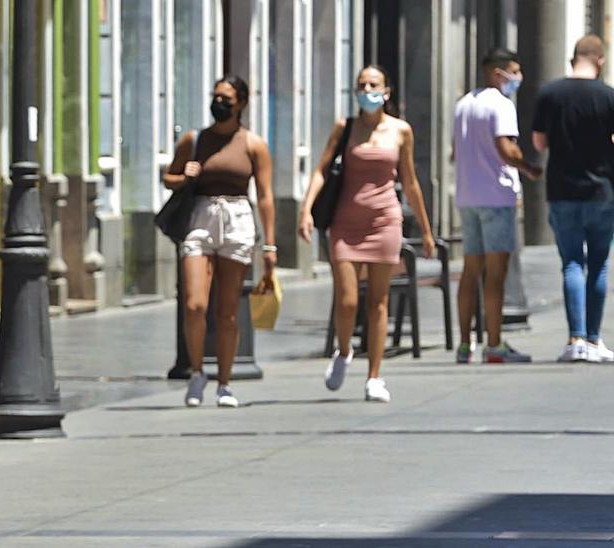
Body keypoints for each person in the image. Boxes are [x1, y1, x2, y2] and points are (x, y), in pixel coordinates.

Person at [298, 65, 437, 403]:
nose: (367, 90)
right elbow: (321, 169)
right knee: (347, 300)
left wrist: (427, 230)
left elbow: (410, 181)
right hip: (345, 223)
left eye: (373, 84)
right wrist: (306, 210)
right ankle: (344, 351)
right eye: (361, 85)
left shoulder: (400, 131)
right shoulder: (345, 128)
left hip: (384, 221)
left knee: (378, 302)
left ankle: (374, 375)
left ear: (386, 91)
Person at [163, 75, 276, 408]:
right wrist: (185, 177)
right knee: (194, 304)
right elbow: (169, 177)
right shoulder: (194, 140)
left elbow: (266, 196)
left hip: (238, 219)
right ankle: (197, 372)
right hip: (200, 218)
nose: (219, 103)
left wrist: (269, 244)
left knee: (228, 311)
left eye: (226, 98)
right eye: (215, 97)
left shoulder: (253, 145)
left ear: (241, 102)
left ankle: (224, 383)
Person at [452, 48, 542, 363]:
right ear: (497, 73)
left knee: (470, 271)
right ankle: (493, 344)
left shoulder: (463, 104)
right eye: (514, 71)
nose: (518, 78)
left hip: (467, 197)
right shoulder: (501, 105)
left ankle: (464, 345)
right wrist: (529, 168)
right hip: (496, 196)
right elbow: (506, 147)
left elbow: (456, 151)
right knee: (496, 273)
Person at [531, 35, 614, 363]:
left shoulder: (550, 93)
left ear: (573, 58)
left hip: (562, 190)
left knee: (571, 263)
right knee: (598, 265)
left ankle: (574, 339)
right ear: (601, 60)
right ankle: (594, 340)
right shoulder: (609, 97)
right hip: (602, 192)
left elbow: (538, 143)